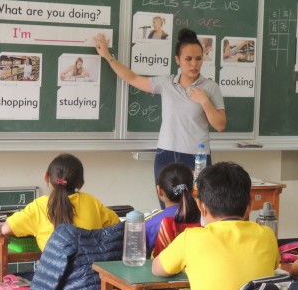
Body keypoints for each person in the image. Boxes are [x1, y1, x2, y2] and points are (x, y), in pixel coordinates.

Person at [94, 29, 226, 208]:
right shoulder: (165, 83)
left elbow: (220, 125)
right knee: (168, 211)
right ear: (177, 60)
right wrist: (108, 56)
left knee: (197, 210)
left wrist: (204, 101)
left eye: (199, 58)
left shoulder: (210, 88)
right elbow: (132, 78)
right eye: (188, 59)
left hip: (197, 158)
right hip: (166, 155)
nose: (194, 64)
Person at [151, 162, 280, 290]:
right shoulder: (267, 235)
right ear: (250, 206)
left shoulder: (191, 238)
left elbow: (157, 268)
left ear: (201, 206)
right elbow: (274, 266)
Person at [1, 153, 120, 251]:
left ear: (46, 177)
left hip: (54, 278)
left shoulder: (40, 206)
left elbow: (6, 229)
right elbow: (116, 223)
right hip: (90, 277)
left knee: (21, 276)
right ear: (81, 183)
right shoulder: (92, 202)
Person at [145, 162, 200, 258]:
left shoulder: (151, 223)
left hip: (159, 270)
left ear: (159, 190)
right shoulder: (205, 218)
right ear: (192, 190)